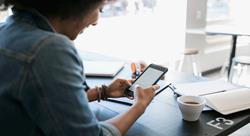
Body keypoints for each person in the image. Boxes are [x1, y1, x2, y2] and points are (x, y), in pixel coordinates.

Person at [0, 0, 160, 136]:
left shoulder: (5, 30)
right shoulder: (48, 49)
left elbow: (39, 100)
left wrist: (102, 92)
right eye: (99, 9)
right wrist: (140, 106)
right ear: (78, 4)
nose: (97, 21)